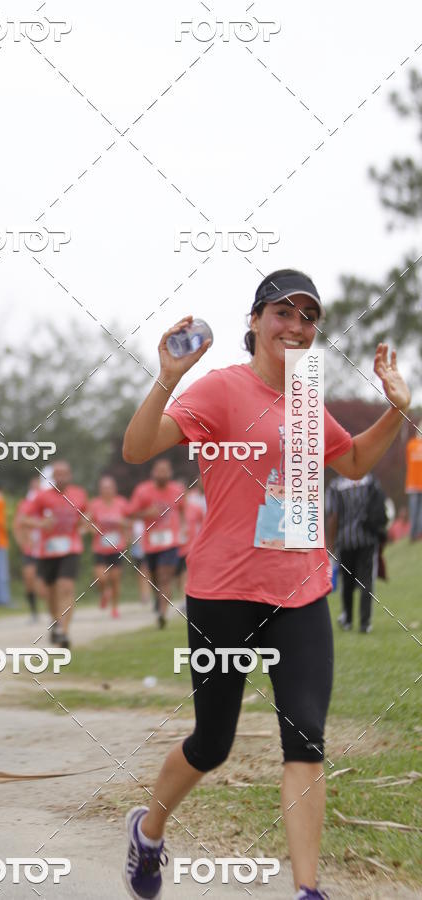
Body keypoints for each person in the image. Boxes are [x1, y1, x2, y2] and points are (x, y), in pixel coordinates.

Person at [120, 268, 411, 900]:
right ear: (254, 323)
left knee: (305, 737)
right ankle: (149, 829)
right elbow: (139, 449)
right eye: (283, 312)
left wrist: (397, 409)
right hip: (224, 591)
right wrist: (169, 379)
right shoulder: (223, 390)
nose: (297, 326)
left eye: (309, 318)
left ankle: (307, 890)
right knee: (212, 742)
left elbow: (355, 460)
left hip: (301, 590)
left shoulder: (308, 403)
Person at [17, 460, 88, 648]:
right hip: (47, 552)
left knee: (66, 587)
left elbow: (86, 516)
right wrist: (40, 524)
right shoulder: (42, 497)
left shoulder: (79, 494)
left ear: (70, 475)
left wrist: (84, 527)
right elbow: (22, 520)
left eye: (65, 473)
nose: (61, 477)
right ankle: (56, 620)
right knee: (46, 591)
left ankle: (64, 632)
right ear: (53, 477)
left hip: (71, 548)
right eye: (58, 474)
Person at [326, 473, 387, 633]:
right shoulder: (370, 481)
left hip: (345, 540)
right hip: (367, 538)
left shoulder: (335, 486)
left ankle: (348, 619)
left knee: (347, 582)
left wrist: (331, 544)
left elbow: (333, 516)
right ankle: (365, 623)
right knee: (367, 580)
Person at [128, 459, 185, 629]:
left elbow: (183, 510)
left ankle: (162, 612)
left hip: (171, 542)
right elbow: (131, 514)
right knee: (154, 578)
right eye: (159, 471)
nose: (162, 474)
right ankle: (160, 601)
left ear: (170, 473)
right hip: (151, 544)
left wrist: (183, 529)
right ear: (153, 473)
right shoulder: (143, 491)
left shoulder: (177, 490)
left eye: (165, 471)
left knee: (164, 576)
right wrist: (147, 513)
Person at [87, 475, 131, 618]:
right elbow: (86, 522)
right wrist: (92, 528)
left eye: (109, 487)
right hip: (100, 548)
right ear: (100, 490)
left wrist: (122, 524)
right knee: (101, 578)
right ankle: (104, 592)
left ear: (114, 489)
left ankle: (114, 607)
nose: (107, 490)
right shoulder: (94, 504)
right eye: (104, 488)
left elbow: (129, 522)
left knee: (115, 579)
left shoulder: (122, 503)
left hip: (117, 547)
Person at [13, 478, 45, 621]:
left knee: (43, 585)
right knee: (29, 578)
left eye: (38, 487)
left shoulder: (47, 504)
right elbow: (17, 525)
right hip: (30, 549)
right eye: (33, 487)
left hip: (46, 549)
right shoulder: (24, 505)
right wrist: (22, 543)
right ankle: (34, 612)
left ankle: (56, 610)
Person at [176, 478, 206, 599]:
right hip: (175, 546)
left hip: (190, 546)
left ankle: (185, 597)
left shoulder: (195, 508)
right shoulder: (173, 509)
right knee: (177, 574)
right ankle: (180, 595)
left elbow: (204, 524)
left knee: (186, 572)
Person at [404, 419, 422, 540]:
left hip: (412, 484)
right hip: (417, 483)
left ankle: (413, 534)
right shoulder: (411, 445)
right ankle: (418, 533)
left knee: (414, 511)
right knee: (419, 511)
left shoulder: (410, 445)